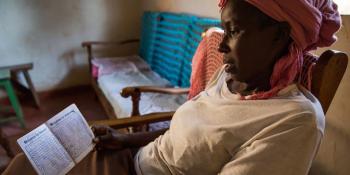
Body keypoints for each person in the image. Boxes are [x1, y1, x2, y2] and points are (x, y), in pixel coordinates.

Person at [3, 0, 341, 174]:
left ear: (279, 36)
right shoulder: (233, 78)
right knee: (27, 162)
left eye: (234, 31)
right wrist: (126, 139)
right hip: (133, 158)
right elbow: (184, 127)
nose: (221, 48)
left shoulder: (293, 120)